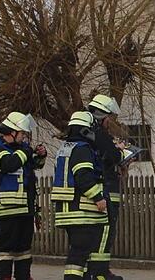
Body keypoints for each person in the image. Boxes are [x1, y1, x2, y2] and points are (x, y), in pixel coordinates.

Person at [0, 112, 47, 280]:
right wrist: (26, 150)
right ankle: (5, 277)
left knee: (23, 247)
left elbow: (34, 165)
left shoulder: (20, 151)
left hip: (25, 208)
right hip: (7, 209)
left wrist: (41, 155)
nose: (24, 137)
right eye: (22, 133)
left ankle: (24, 276)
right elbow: (9, 164)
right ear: (12, 132)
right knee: (7, 248)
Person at [51, 111, 109, 280]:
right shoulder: (82, 149)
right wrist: (98, 198)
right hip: (81, 211)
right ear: (86, 130)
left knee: (79, 252)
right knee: (79, 253)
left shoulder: (65, 148)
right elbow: (83, 177)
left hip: (69, 210)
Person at [86, 94, 135, 280]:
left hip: (107, 190)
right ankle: (99, 272)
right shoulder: (98, 135)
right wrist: (121, 152)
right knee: (104, 233)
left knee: (103, 233)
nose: (110, 122)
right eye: (109, 118)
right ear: (101, 116)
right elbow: (112, 156)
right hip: (106, 192)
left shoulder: (90, 134)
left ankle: (98, 271)